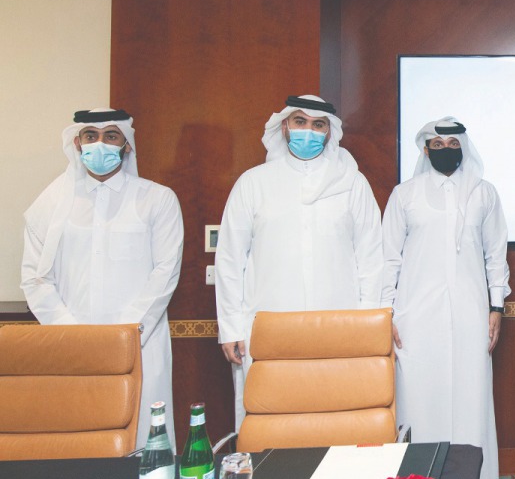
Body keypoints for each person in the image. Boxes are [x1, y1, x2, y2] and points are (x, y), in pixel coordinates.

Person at [215, 95, 384, 428]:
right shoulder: (254, 183)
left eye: (318, 124)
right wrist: (231, 327)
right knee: (270, 424)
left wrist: (367, 326)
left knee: (337, 421)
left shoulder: (353, 184)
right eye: (300, 122)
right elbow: (230, 260)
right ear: (285, 126)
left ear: (329, 132)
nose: (309, 131)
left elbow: (371, 258)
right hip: (268, 332)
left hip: (340, 331)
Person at [22, 109, 184, 449]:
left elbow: (165, 272)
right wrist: (72, 333)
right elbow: (34, 277)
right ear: (77, 144)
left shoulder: (157, 198)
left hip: (140, 342)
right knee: (75, 436)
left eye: (110, 136)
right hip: (69, 346)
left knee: (142, 441)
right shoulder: (49, 204)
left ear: (126, 144)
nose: (100, 144)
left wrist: (123, 335)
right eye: (90, 136)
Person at [382, 117, 510, 479]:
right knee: (419, 404)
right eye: (436, 144)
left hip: (472, 315)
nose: (444, 149)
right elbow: (388, 260)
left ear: (463, 146)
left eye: (452, 142)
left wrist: (496, 308)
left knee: (471, 402)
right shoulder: (404, 196)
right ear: (424, 150)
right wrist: (384, 314)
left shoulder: (484, 194)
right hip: (414, 319)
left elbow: (496, 256)